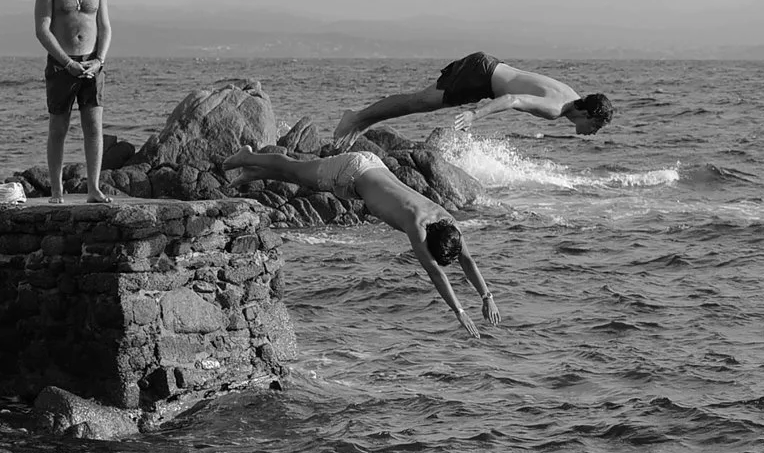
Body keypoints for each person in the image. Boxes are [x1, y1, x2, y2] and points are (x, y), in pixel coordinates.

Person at [223, 143, 498, 337]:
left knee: (300, 176)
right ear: (429, 240)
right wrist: (459, 311)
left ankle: (254, 172)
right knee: (294, 169)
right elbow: (436, 274)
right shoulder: (416, 225)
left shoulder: (446, 220)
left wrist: (487, 297)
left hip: (370, 167)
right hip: (351, 171)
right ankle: (248, 156)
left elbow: (467, 260)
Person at [332, 52, 613, 143]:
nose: (593, 132)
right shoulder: (556, 108)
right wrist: (474, 115)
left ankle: (360, 123)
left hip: (487, 69)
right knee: (418, 102)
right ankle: (355, 119)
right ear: (587, 114)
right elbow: (512, 99)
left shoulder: (572, 96)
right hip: (480, 77)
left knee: (419, 103)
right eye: (596, 126)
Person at [33, 0, 111, 204]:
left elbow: (105, 27)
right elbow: (42, 30)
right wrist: (66, 63)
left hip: (92, 64)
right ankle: (56, 190)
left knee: (94, 127)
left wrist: (99, 60)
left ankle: (94, 189)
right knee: (58, 128)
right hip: (61, 65)